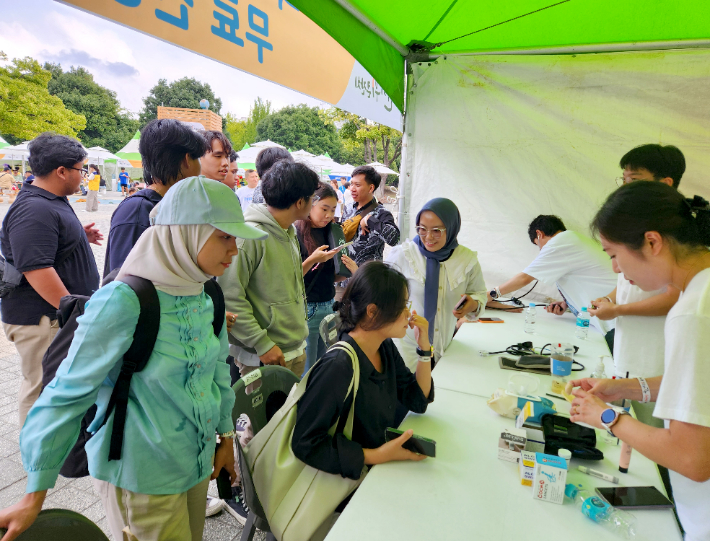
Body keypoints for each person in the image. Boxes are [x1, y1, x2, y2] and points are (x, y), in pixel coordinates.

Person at [0, 176, 267, 541]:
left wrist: (222, 438)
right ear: (185, 232)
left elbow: (216, 372)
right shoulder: (123, 300)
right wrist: (35, 493)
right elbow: (66, 395)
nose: (234, 250)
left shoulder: (205, 293)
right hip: (142, 477)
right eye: (224, 236)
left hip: (194, 463)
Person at [569, 182, 710, 541]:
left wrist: (607, 417)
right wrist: (624, 388)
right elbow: (698, 385)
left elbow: (692, 458)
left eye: (614, 253)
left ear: (652, 242)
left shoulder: (693, 312)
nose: (615, 267)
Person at [291, 261, 434, 495]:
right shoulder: (339, 366)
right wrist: (376, 455)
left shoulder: (383, 347)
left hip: (375, 474)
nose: (409, 314)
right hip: (342, 487)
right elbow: (305, 443)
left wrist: (424, 349)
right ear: (373, 312)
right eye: (402, 306)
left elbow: (417, 399)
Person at [0, 133, 102, 425]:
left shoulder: (48, 200)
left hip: (52, 316)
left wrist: (77, 236)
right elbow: (36, 269)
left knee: (52, 384)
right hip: (41, 319)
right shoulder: (35, 209)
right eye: (80, 169)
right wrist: (73, 311)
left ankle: (49, 452)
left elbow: (43, 246)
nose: (83, 175)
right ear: (61, 172)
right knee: (40, 388)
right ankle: (37, 459)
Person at [589, 144, 685, 426]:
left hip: (655, 359)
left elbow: (674, 296)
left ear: (665, 183)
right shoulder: (635, 226)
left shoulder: (676, 237)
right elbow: (626, 280)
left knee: (650, 439)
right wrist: (609, 300)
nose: (625, 188)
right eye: (624, 180)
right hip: (629, 352)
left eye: (635, 180)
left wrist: (618, 310)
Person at [218, 160, 319, 381]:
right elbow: (229, 297)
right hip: (263, 356)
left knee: (287, 415)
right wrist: (262, 344)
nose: (315, 202)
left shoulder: (288, 229)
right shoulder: (250, 236)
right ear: (300, 201)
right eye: (314, 197)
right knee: (262, 416)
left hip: (292, 346)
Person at [386, 198, 487, 370]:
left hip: (445, 347)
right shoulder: (403, 255)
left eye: (437, 230)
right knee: (408, 392)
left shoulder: (466, 260)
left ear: (452, 228)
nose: (429, 237)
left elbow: (479, 293)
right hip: (406, 346)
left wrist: (473, 304)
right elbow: (381, 293)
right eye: (422, 229)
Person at [103, 119, 206, 277]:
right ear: (187, 160)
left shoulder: (173, 205)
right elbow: (122, 282)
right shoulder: (137, 210)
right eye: (198, 158)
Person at [488, 215, 617, 338]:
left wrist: (490, 295)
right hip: (612, 314)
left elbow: (524, 278)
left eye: (537, 244)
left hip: (615, 322)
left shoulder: (559, 242)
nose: (541, 250)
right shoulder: (574, 239)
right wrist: (568, 303)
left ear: (539, 234)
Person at [297, 182, 358, 374]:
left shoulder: (333, 231)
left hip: (329, 305)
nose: (329, 215)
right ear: (311, 204)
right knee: (308, 370)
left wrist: (349, 269)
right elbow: (290, 278)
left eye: (333, 210)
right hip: (308, 308)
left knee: (323, 365)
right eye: (324, 209)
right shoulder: (295, 232)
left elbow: (330, 276)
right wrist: (313, 259)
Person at [342, 165, 400, 266]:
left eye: (357, 185)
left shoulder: (382, 213)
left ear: (371, 188)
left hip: (368, 276)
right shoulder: (348, 208)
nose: (352, 189)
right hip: (345, 276)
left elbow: (394, 239)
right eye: (351, 184)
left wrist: (370, 220)